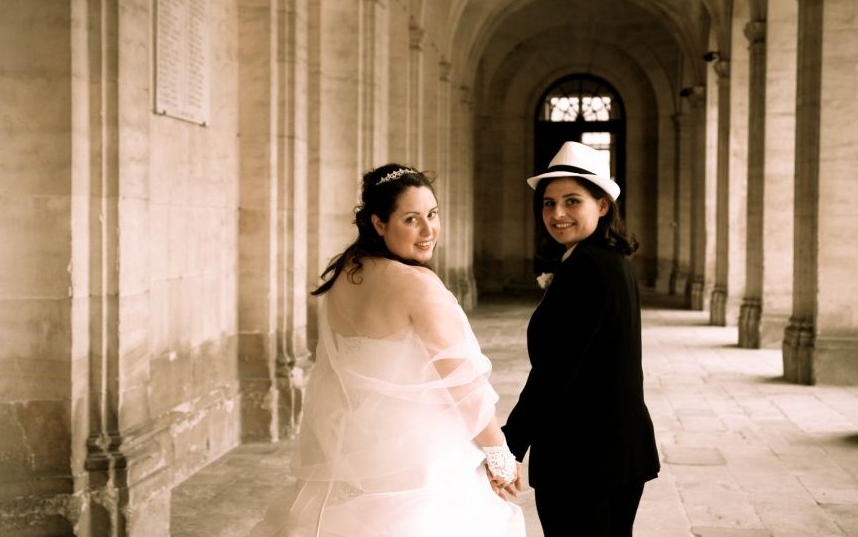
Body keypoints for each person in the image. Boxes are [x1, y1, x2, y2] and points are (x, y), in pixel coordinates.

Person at [251, 164, 526, 537]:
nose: (428, 230)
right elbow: (464, 385)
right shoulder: (418, 286)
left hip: (356, 453)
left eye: (433, 214)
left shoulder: (345, 275)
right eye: (411, 219)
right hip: (422, 457)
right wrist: (500, 456)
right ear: (379, 223)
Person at [499, 141, 660, 536]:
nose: (557, 214)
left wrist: (507, 447)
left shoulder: (588, 268)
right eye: (549, 203)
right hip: (613, 450)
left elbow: (555, 372)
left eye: (572, 201)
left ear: (602, 205)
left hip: (585, 458)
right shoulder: (607, 260)